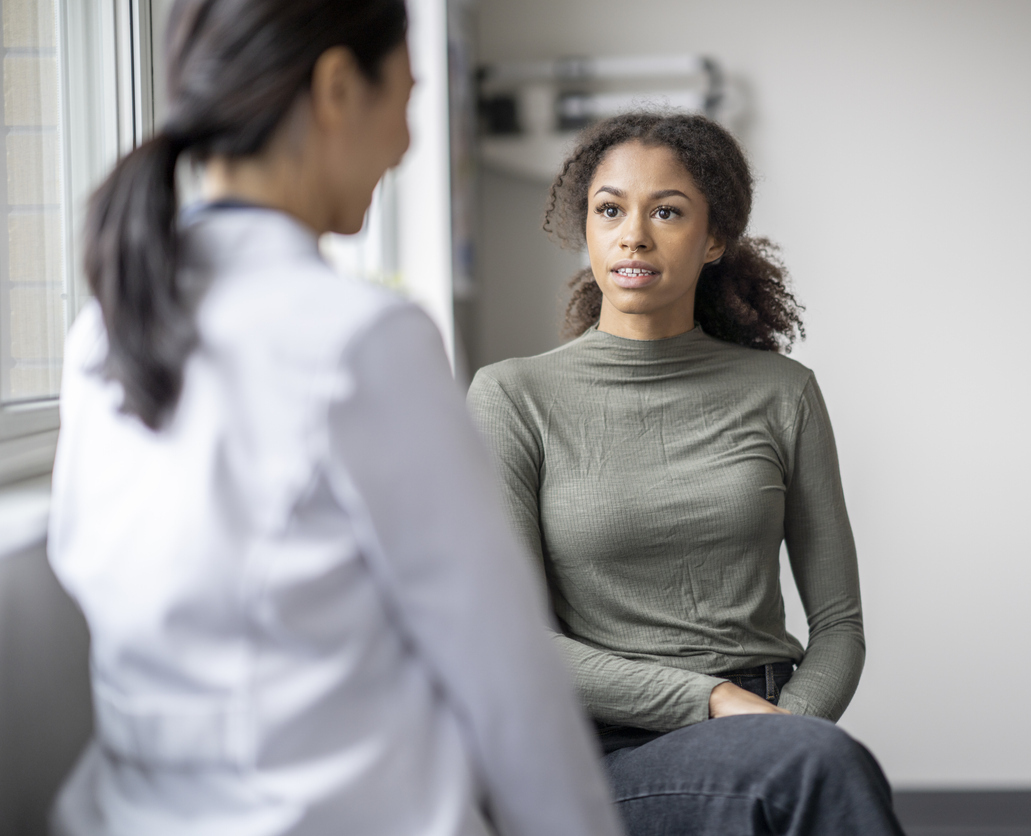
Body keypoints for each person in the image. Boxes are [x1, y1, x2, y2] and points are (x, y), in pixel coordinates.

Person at [46, 2, 623, 834]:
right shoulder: (361, 339)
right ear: (338, 88)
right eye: (408, 99)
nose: (409, 141)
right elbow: (507, 679)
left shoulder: (103, 329)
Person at [467, 111, 906, 836]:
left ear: (714, 239)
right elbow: (512, 638)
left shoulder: (783, 393)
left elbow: (838, 626)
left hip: (770, 719)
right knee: (819, 772)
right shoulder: (513, 397)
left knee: (812, 767)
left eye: (666, 211)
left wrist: (780, 727)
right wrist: (714, 705)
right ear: (586, 227)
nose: (632, 234)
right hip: (607, 748)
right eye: (609, 210)